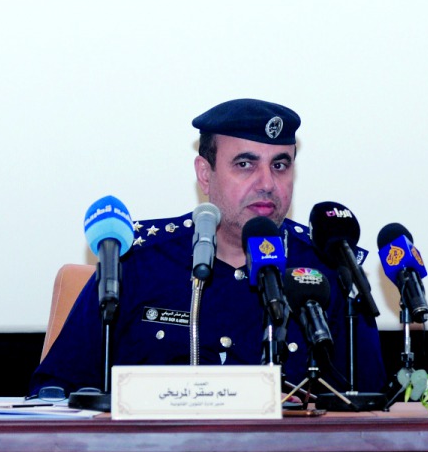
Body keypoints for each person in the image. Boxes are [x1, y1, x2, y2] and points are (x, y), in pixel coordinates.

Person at [30, 99, 385, 396]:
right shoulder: (136, 264)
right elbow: (54, 391)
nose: (267, 183)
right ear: (204, 174)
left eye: (280, 165)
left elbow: (371, 404)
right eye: (245, 164)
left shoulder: (328, 269)